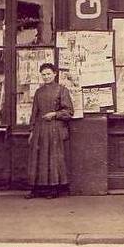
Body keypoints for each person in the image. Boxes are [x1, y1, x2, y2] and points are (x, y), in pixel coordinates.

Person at [25, 62, 74, 199]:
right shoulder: (38, 92)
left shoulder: (62, 90)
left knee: (52, 158)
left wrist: (54, 114)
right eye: (43, 74)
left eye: (48, 74)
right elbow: (34, 112)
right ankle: (35, 189)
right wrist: (32, 130)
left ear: (55, 74)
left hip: (55, 129)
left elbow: (69, 112)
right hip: (40, 128)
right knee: (37, 158)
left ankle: (52, 189)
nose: (46, 77)